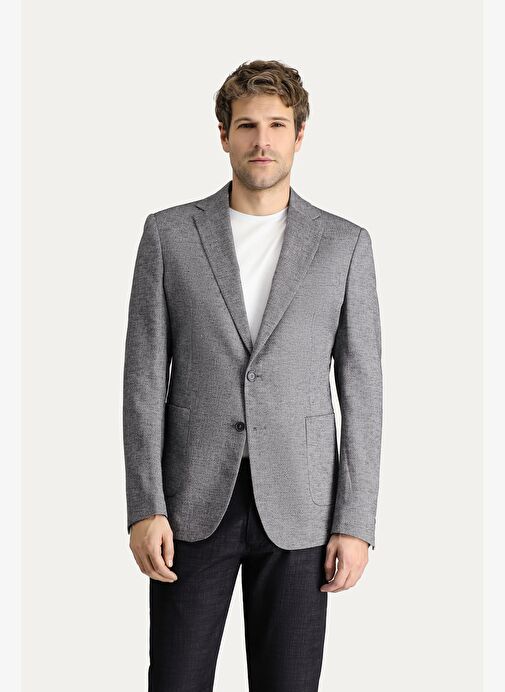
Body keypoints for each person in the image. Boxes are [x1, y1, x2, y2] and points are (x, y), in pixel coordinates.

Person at [123, 59, 383, 692]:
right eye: (246, 126)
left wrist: (355, 522)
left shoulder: (344, 244)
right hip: (190, 503)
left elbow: (363, 391)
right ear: (223, 135)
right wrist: (145, 506)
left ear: (299, 135)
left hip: (302, 506)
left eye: (276, 125)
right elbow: (142, 381)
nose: (261, 140)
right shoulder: (169, 235)